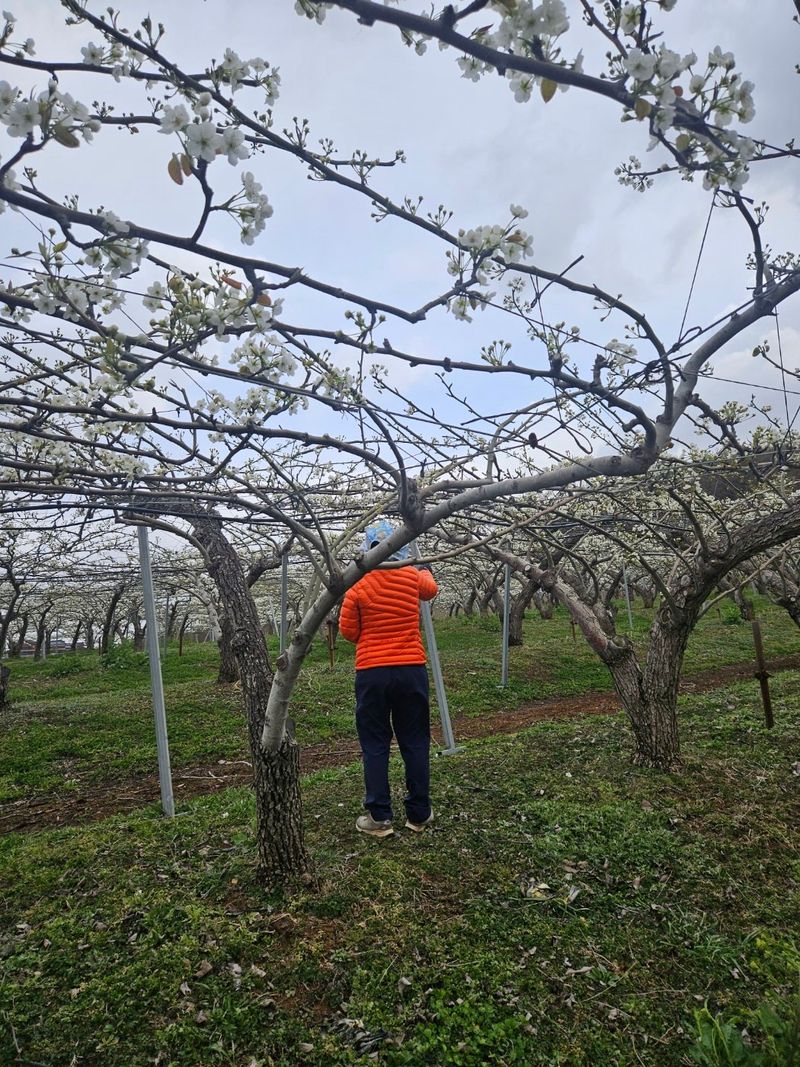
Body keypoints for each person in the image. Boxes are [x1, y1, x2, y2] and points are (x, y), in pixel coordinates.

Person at [339, 520, 438, 838]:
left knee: (375, 743)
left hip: (372, 672)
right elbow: (431, 590)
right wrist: (422, 567)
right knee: (415, 740)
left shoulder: (358, 583)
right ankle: (419, 814)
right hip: (411, 669)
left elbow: (349, 632)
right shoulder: (411, 575)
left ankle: (379, 816)